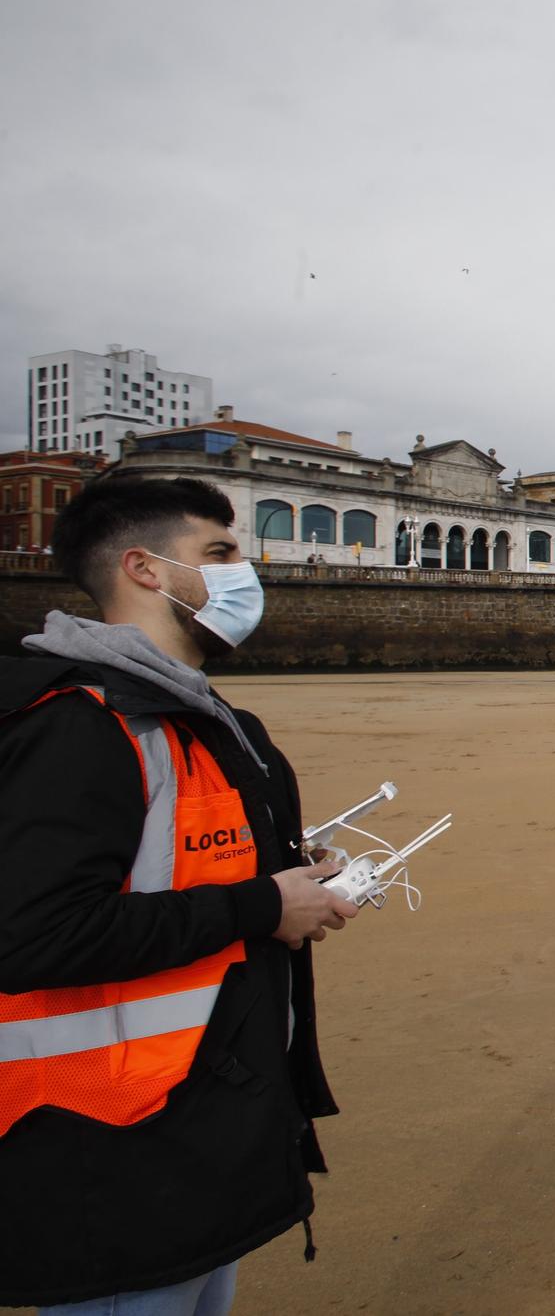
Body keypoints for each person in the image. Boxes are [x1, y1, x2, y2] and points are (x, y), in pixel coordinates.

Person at [0, 476, 359, 1314]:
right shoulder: (77, 723)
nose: (246, 573)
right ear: (145, 569)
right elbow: (33, 932)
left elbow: (177, 858)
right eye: (222, 553)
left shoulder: (204, 718)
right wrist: (265, 906)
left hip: (201, 1127)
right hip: (107, 1145)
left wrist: (289, 870)